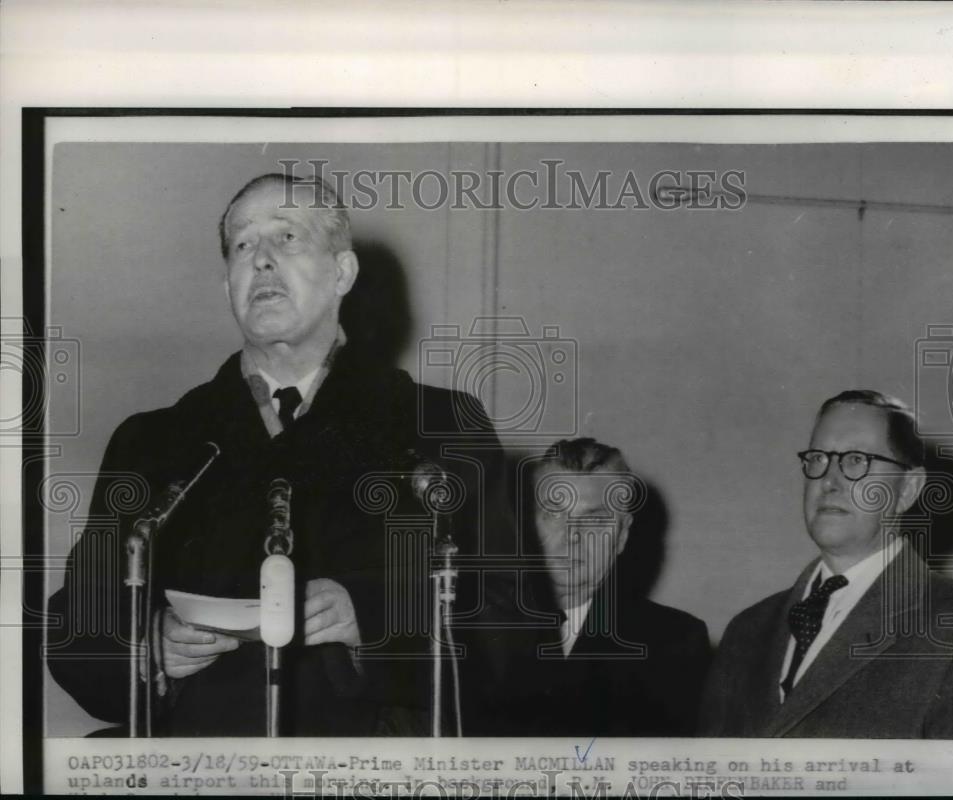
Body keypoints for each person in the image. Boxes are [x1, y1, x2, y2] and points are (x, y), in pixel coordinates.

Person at [46, 172, 522, 736]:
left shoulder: (440, 429)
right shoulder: (152, 442)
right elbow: (76, 632)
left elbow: (514, 636)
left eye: (288, 238)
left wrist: (370, 621)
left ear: (342, 272)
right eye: (243, 245)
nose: (262, 260)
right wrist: (149, 648)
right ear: (227, 286)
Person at [699, 390, 953, 738]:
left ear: (908, 489)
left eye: (857, 460)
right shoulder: (747, 630)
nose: (829, 481)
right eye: (818, 458)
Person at [522, 437, 711, 736]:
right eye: (554, 515)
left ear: (622, 535)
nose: (572, 536)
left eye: (595, 520)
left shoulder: (673, 644)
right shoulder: (472, 631)